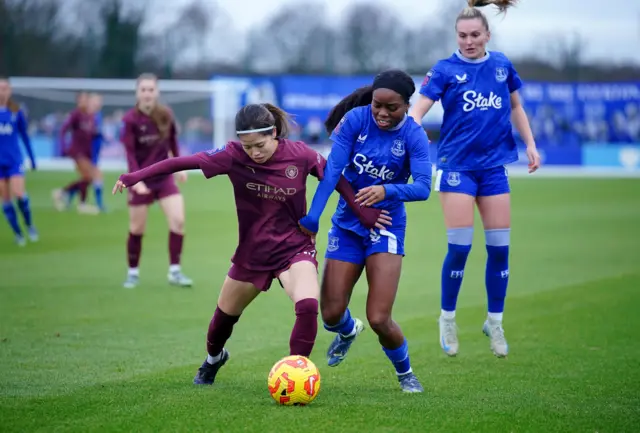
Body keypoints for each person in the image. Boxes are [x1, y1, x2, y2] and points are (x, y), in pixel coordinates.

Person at [111, 102, 390, 386]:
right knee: (222, 322)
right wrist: (135, 177)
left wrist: (363, 212)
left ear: (273, 133)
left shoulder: (301, 155)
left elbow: (335, 180)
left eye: (259, 144)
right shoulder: (232, 155)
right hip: (251, 254)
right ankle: (213, 359)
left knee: (307, 305)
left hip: (294, 248)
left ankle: (297, 376)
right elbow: (181, 162)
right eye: (247, 147)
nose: (254, 152)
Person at [408, 0, 541, 358]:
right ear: (457, 36)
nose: (469, 41)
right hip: (456, 168)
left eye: (475, 35)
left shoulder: (501, 65)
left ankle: (494, 322)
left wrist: (529, 144)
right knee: (460, 248)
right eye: (463, 35)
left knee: (500, 250)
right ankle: (447, 318)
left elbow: (515, 106)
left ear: (487, 35)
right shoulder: (444, 70)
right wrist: (410, 133)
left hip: (494, 169)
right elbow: (417, 110)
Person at [299, 69, 432, 393]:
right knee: (329, 314)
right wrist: (313, 217)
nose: (382, 114)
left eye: (392, 108)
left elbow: (424, 188)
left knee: (378, 318)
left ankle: (406, 373)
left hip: (386, 226)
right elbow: (332, 172)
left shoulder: (414, 136)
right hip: (346, 224)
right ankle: (347, 331)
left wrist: (387, 191)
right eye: (377, 106)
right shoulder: (356, 120)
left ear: (406, 105)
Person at [119, 73, 192, 289]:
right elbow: (130, 155)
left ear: (157, 92)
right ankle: (132, 273)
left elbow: (173, 143)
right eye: (143, 90)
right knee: (137, 228)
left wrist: (180, 168)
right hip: (141, 179)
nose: (147, 93)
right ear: (137, 93)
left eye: (151, 89)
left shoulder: (165, 115)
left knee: (178, 221)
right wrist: (136, 180)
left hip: (164, 179)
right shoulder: (129, 120)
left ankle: (175, 272)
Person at [0, 77, 38, 245]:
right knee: (6, 199)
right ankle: (18, 233)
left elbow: (24, 136)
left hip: (14, 160)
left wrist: (32, 158)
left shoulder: (16, 111)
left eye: (5, 87)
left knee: (19, 194)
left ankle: (29, 225)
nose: (2, 91)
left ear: (10, 90)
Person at [52, 91, 100, 214]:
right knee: (88, 176)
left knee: (88, 178)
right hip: (77, 151)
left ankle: (62, 193)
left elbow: (90, 134)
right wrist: (63, 146)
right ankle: (81, 204)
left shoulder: (90, 116)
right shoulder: (75, 115)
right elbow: (63, 129)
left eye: (86, 99)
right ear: (78, 101)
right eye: (81, 100)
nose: (84, 102)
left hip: (86, 152)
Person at [88, 92, 106, 212]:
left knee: (89, 178)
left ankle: (67, 196)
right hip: (88, 151)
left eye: (100, 101)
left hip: (95, 151)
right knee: (96, 176)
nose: (99, 103)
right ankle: (99, 204)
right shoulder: (87, 115)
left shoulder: (98, 115)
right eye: (96, 100)